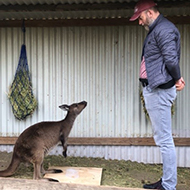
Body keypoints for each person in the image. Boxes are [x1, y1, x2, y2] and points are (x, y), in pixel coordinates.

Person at [129, 0, 185, 190]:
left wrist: (177, 78)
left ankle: (169, 185)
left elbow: (170, 58)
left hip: (160, 91)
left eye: (141, 18)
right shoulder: (158, 29)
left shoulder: (164, 30)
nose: (140, 22)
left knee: (164, 140)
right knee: (162, 138)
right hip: (155, 90)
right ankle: (167, 180)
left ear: (150, 13)